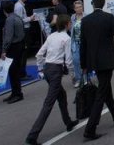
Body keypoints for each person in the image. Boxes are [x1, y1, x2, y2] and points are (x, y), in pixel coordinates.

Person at [80, 0, 114, 141]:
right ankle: (90, 129)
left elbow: (83, 45)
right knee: (101, 94)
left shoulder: (85, 21)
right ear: (103, 3)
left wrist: (84, 65)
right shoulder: (108, 18)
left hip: (94, 63)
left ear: (92, 3)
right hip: (106, 62)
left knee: (105, 89)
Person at [25, 14, 79, 145]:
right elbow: (69, 60)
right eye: (69, 23)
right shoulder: (66, 38)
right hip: (56, 71)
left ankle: (68, 122)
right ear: (67, 24)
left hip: (48, 69)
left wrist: (40, 69)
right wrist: (73, 74)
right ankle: (32, 135)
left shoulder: (51, 36)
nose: (70, 24)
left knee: (62, 95)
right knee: (48, 103)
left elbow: (39, 54)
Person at [1, 1, 25, 104]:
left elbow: (8, 36)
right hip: (19, 45)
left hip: (13, 47)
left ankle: (17, 94)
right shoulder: (17, 17)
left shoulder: (9, 20)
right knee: (15, 70)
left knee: (12, 71)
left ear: (4, 10)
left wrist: (4, 50)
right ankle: (15, 92)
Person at [14, 0, 36, 80]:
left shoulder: (19, 5)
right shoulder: (19, 7)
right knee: (23, 52)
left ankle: (22, 72)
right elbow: (19, 21)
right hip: (24, 31)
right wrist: (30, 18)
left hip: (24, 30)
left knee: (24, 52)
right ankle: (22, 74)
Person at [70, 0, 85, 88]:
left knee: (85, 61)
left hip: (84, 43)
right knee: (75, 61)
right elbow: (71, 30)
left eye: (80, 7)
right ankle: (78, 79)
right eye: (77, 7)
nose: (79, 9)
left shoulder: (86, 16)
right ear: (74, 9)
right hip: (75, 43)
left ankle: (86, 79)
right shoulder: (72, 17)